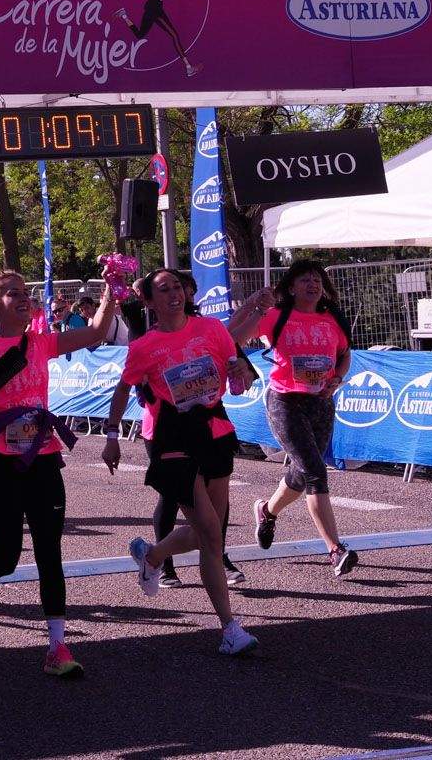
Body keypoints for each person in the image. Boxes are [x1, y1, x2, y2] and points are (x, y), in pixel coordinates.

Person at [0, 268, 117, 678]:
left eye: (25, 292)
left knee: (49, 552)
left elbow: (97, 332)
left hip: (43, 458)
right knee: (6, 557)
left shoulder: (41, 342)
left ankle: (57, 646)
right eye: (12, 293)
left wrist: (111, 290)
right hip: (1, 465)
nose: (24, 298)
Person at [102, 269, 257, 656]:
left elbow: (240, 380)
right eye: (163, 289)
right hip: (171, 436)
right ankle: (230, 628)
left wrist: (242, 372)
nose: (173, 293)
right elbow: (123, 389)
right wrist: (112, 436)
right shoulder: (145, 346)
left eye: (177, 286)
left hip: (214, 430)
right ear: (149, 301)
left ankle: (153, 554)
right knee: (210, 533)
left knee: (211, 533)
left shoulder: (212, 329)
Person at [230, 261, 358, 578]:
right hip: (285, 402)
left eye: (317, 280)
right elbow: (233, 337)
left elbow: (345, 354)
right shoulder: (276, 315)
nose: (312, 285)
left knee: (302, 474)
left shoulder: (332, 318)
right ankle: (335, 550)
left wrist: (337, 378)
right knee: (315, 472)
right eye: (305, 280)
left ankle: (267, 511)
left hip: (321, 402)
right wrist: (257, 309)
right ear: (291, 287)